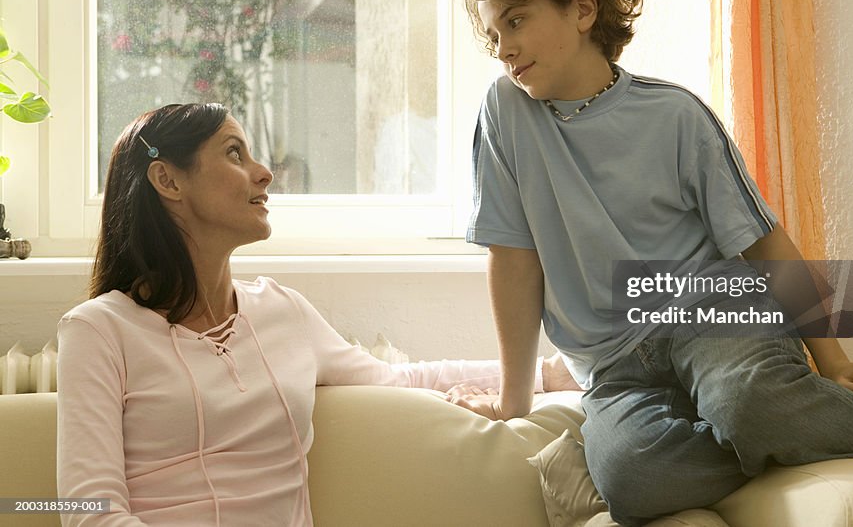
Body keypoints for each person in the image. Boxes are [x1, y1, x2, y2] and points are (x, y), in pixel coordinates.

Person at [450, 0, 853, 526]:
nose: (503, 48)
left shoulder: (675, 116)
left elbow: (764, 241)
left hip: (711, 312)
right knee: (633, 477)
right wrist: (515, 399)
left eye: (515, 22)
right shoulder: (505, 112)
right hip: (613, 366)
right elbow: (512, 257)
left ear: (582, 10)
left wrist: (836, 363)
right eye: (492, 35)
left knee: (748, 402)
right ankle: (832, 420)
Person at [56, 103, 572, 526]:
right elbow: (87, 510)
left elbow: (398, 377)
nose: (264, 172)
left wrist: (547, 373)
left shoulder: (282, 311)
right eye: (235, 153)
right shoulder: (98, 331)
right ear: (168, 181)